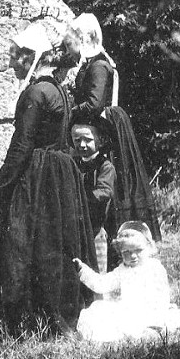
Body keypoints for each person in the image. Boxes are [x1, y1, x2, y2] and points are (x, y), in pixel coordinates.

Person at [0, 23, 97, 334]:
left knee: (24, 241)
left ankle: (30, 322)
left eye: (15, 57)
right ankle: (53, 319)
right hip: (59, 173)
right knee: (54, 242)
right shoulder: (56, 88)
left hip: (40, 175)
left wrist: (0, 189)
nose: (11, 63)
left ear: (31, 58)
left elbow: (22, 145)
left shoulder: (36, 91)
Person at [65, 13, 161, 241]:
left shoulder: (98, 64)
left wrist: (70, 111)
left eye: (75, 40)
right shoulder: (92, 63)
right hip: (99, 125)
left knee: (116, 181)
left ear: (85, 38)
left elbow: (94, 103)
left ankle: (120, 237)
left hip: (106, 126)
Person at [73, 222, 180, 342]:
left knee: (166, 320)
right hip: (130, 311)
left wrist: (156, 313)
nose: (133, 256)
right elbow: (102, 284)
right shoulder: (122, 270)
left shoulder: (154, 267)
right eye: (126, 253)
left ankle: (152, 330)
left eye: (138, 250)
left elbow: (162, 295)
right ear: (120, 253)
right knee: (100, 311)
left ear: (149, 247)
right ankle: (138, 333)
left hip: (153, 309)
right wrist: (82, 270)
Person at [71, 115, 116, 273]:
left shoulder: (105, 166)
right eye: (77, 140)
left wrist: (80, 199)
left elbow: (105, 191)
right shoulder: (73, 164)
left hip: (95, 228)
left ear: (100, 141)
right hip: (76, 228)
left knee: (97, 271)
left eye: (87, 140)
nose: (82, 145)